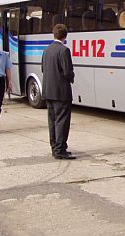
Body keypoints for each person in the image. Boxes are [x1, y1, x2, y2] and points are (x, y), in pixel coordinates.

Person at [42, 24, 76, 160]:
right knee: (62, 121)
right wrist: (71, 78)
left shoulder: (47, 50)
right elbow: (67, 71)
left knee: (52, 120)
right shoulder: (64, 50)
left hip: (48, 90)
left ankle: (54, 147)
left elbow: (43, 69)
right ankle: (60, 149)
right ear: (65, 36)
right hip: (61, 92)